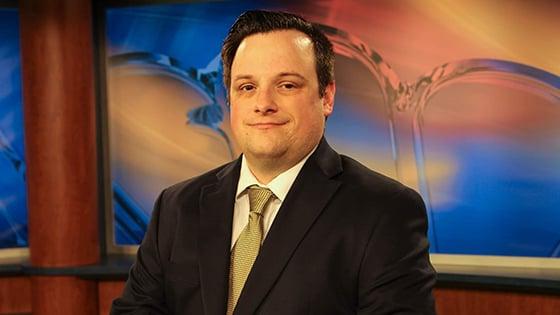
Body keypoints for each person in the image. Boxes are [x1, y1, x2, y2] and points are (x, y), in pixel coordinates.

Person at [111, 10, 436, 315]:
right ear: (229, 99)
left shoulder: (386, 210)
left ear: (327, 97)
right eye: (247, 87)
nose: (263, 104)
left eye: (287, 85)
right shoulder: (177, 206)